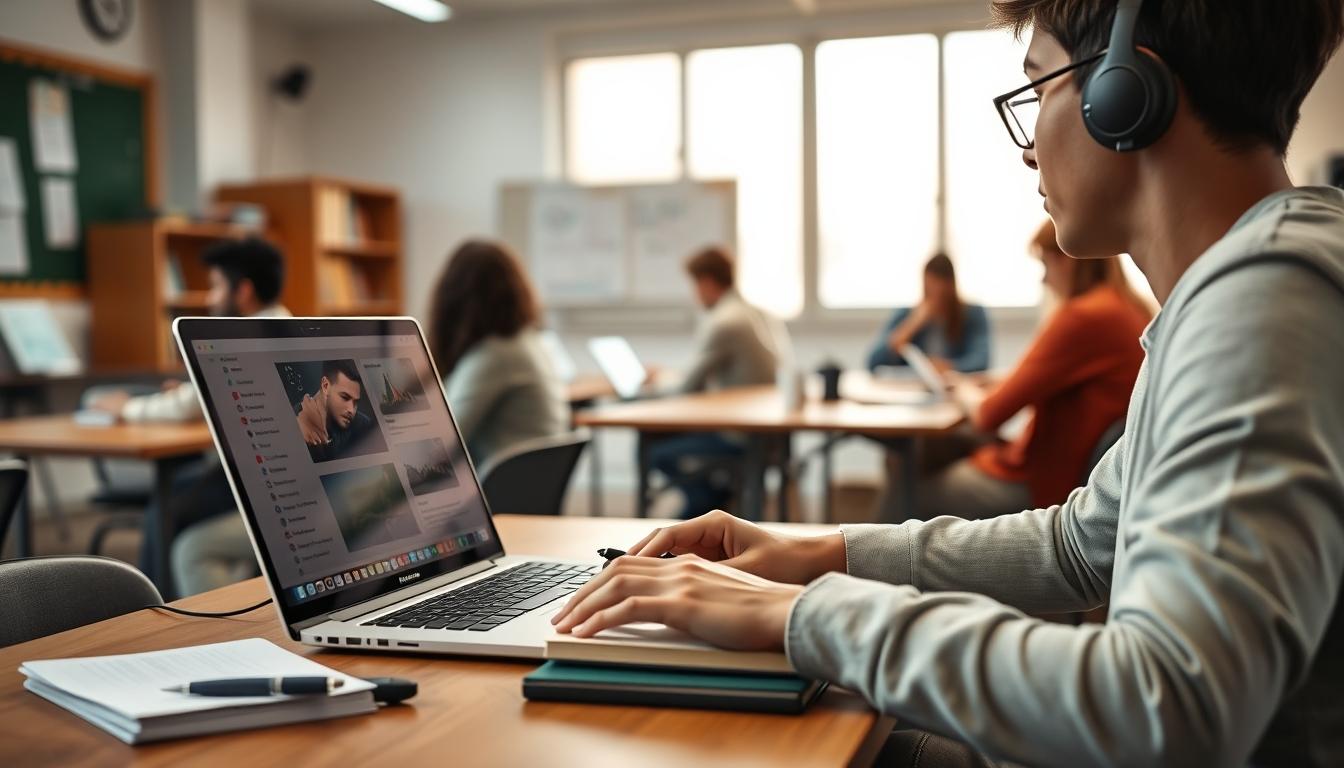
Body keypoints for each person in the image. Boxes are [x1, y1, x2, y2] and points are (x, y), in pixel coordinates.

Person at [552, 1, 1344, 765]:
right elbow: (1079, 546)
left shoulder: (1262, 302)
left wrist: (804, 613)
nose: (1029, 147)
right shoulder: (1235, 289)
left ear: (1125, 94)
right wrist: (815, 555)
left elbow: (1167, 705)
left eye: (1037, 90)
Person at [898, 218, 1153, 522]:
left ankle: (858, 558)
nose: (1044, 280)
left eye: (1045, 265)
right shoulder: (1128, 308)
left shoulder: (1082, 316)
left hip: (1045, 482)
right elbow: (1065, 379)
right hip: (1082, 472)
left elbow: (988, 416)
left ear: (1067, 260)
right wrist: (991, 380)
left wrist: (963, 389)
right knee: (935, 447)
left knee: (912, 484)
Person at [87, 237, 290, 596]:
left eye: (215, 287)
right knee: (178, 493)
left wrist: (127, 408)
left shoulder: (246, 335)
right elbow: (206, 397)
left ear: (243, 291)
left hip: (263, 482)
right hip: (268, 475)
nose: (209, 299)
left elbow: (185, 408)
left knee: (165, 509)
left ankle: (151, 609)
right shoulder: (282, 326)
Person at [647, 246, 787, 519]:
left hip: (739, 435)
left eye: (694, 285)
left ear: (707, 282)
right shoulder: (754, 313)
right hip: (766, 432)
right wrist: (667, 374)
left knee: (655, 452)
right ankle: (709, 505)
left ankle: (707, 507)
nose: (694, 294)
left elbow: (687, 388)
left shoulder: (724, 321)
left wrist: (650, 387)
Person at [427, 239, 568, 470]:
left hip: (498, 493)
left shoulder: (496, 356)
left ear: (456, 299)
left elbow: (440, 439)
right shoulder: (529, 342)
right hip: (529, 483)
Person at [867, 254, 991, 374]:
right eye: (931, 288)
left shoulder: (972, 314)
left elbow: (981, 361)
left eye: (942, 291)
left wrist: (948, 366)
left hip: (955, 385)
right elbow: (873, 363)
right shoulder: (907, 314)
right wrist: (912, 324)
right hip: (912, 387)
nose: (936, 295)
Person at [292, 359, 380, 463]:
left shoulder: (362, 424)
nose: (351, 410)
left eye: (356, 402)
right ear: (325, 386)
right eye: (344, 397)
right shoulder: (292, 423)